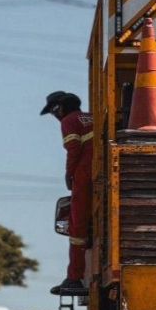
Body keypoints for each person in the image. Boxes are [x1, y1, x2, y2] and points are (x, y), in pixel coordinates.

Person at [41, 91, 93, 295]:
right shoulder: (92, 116)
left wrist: (69, 175)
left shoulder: (69, 121)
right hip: (103, 168)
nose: (55, 116)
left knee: (77, 225)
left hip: (84, 172)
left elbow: (74, 149)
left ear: (59, 108)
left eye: (54, 111)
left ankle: (74, 277)